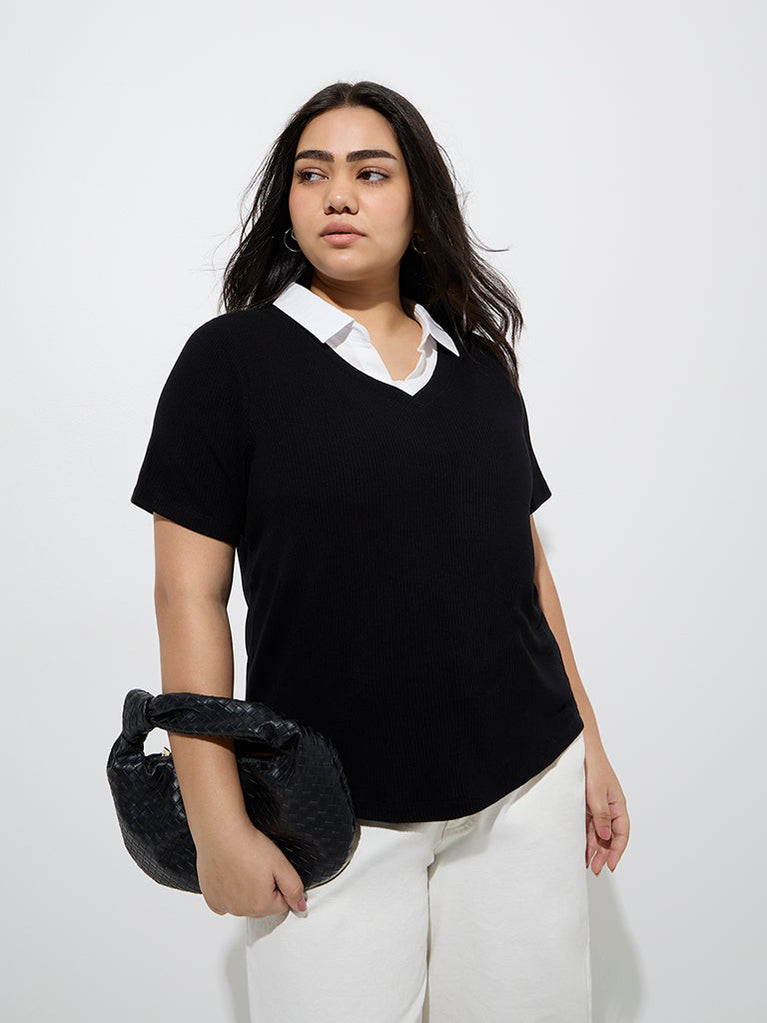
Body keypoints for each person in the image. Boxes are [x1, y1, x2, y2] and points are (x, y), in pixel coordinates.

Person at [130, 80, 629, 1023]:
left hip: (524, 790)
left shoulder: (479, 367)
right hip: (326, 810)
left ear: (417, 198)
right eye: (311, 174)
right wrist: (216, 824)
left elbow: (524, 569)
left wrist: (589, 743)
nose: (338, 195)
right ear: (286, 202)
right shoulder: (230, 363)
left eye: (370, 172)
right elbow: (186, 598)